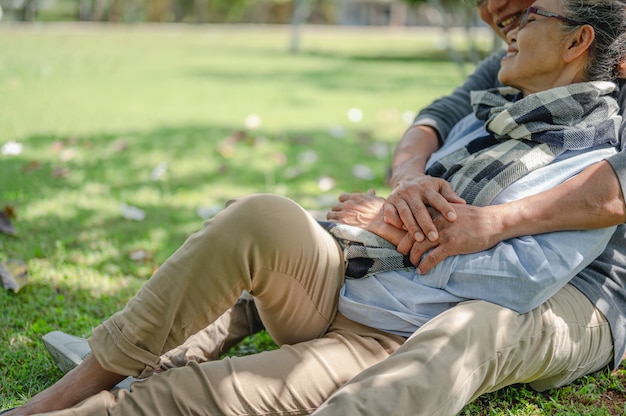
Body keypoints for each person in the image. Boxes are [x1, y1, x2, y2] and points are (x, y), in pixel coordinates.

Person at [4, 1, 626, 415]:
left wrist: (425, 228)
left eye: (525, 9)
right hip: (367, 283)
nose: (501, 22)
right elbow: (433, 122)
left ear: (579, 38)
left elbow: (536, 263)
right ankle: (97, 371)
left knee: (471, 332)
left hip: (488, 312)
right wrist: (401, 194)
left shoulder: (592, 152)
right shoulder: (494, 104)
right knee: (261, 215)